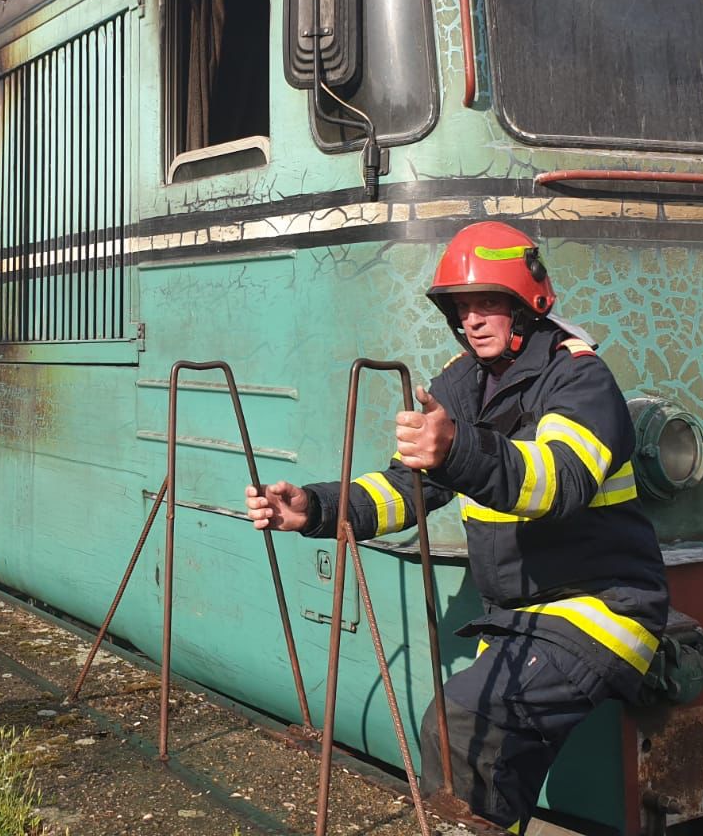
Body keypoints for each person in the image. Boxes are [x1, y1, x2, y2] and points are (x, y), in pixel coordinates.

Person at [246, 222, 668, 832]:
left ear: (529, 304)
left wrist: (457, 450)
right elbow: (406, 490)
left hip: (599, 610)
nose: (472, 321)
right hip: (524, 620)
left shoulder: (578, 378)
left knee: (469, 725)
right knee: (466, 742)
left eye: (489, 303)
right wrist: (312, 507)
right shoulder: (461, 383)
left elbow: (560, 480)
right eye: (461, 307)